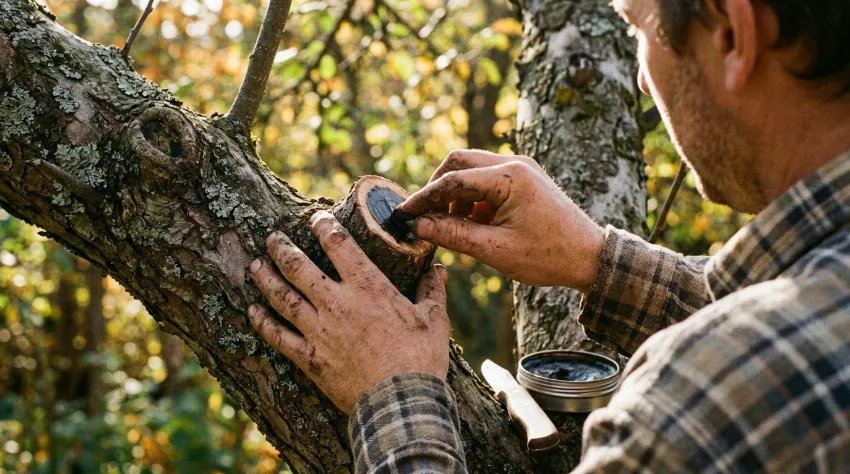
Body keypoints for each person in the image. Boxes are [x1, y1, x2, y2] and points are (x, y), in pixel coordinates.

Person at [246, 0, 850, 471]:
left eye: (638, 30)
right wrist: (598, 258)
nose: (643, 82)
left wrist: (394, 396)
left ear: (732, 34)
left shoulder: (694, 408)